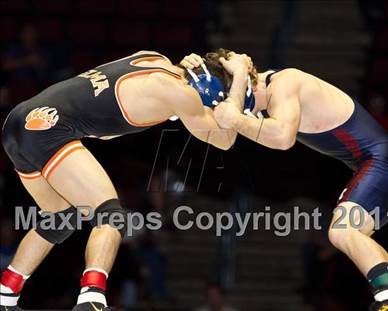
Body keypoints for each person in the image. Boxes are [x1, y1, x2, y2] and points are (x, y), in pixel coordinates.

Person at [0, 50, 252, 311]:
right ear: (207, 89)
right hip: (49, 130)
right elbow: (225, 139)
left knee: (61, 217)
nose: (212, 111)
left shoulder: (152, 59)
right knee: (110, 216)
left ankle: (5, 297)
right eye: (214, 105)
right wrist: (241, 76)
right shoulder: (180, 94)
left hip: (18, 120)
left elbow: (102, 112)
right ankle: (91, 300)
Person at [181, 50, 388, 311]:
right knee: (352, 233)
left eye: (226, 101)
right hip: (377, 163)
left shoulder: (286, 83)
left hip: (384, 160)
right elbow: (225, 133)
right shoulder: (259, 100)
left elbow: (283, 138)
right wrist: (186, 69)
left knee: (343, 231)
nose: (227, 109)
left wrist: (236, 111)